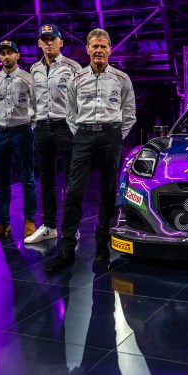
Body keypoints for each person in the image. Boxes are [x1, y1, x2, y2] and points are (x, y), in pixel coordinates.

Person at [45, 28, 136, 273]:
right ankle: (66, 248)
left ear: (110, 50)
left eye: (103, 46)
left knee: (108, 192)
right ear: (87, 49)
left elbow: (129, 113)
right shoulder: (76, 79)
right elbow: (70, 113)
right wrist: (82, 134)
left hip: (111, 135)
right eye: (94, 46)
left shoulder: (121, 79)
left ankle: (102, 247)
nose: (99, 50)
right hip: (83, 135)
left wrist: (116, 136)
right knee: (74, 191)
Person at [25, 24, 83, 244]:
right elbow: (32, 100)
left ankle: (72, 227)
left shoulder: (73, 67)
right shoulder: (34, 69)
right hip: (42, 128)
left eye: (52, 39)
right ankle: (49, 226)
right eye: (45, 39)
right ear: (39, 43)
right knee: (46, 180)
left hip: (65, 127)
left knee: (71, 180)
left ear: (61, 42)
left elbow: (83, 99)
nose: (48, 43)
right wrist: (33, 123)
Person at [0, 39, 37, 240]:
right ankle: (3, 224)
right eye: (2, 53)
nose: (6, 56)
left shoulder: (27, 78)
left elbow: (36, 106)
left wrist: (29, 128)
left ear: (17, 55)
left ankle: (29, 221)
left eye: (9, 53)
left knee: (27, 179)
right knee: (2, 181)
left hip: (21, 132)